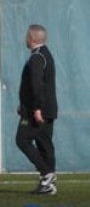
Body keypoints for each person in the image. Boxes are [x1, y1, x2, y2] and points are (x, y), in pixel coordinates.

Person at [16, 25, 57, 195]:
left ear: (32, 38)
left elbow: (37, 85)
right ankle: (48, 184)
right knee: (44, 145)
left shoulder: (38, 57)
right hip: (47, 109)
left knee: (22, 140)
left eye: (27, 36)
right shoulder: (45, 54)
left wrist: (37, 108)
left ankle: (46, 174)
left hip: (38, 111)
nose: (25, 38)